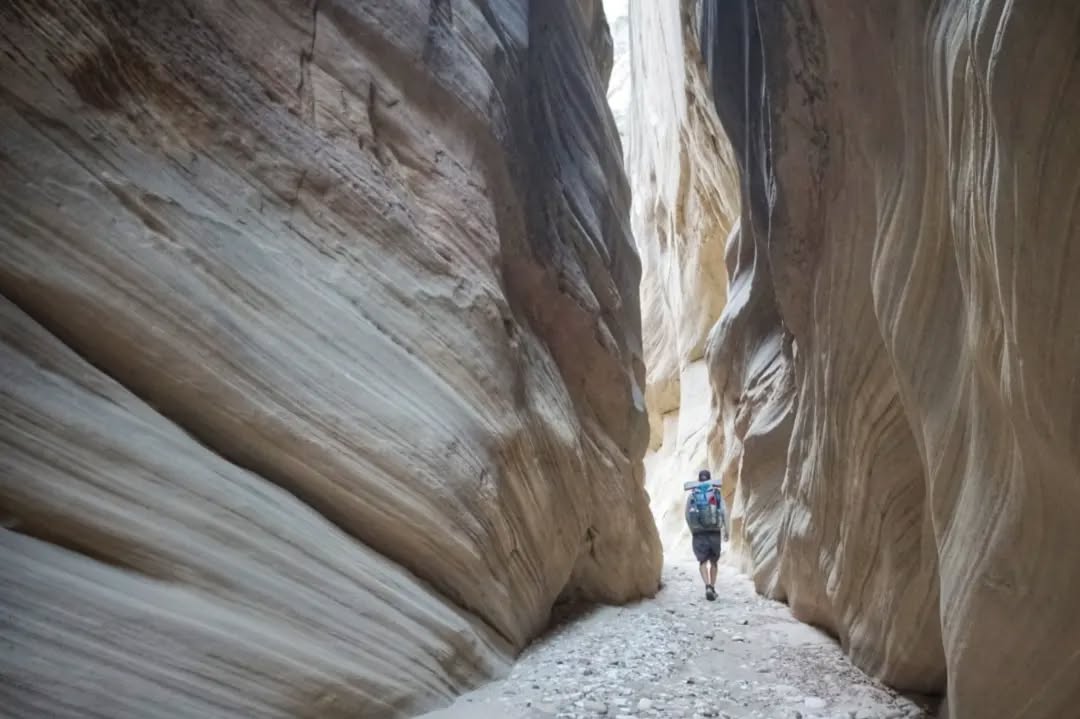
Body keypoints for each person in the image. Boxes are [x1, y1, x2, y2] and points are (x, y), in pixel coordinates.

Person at [685, 469, 727, 601]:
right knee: (714, 561)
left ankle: (707, 586)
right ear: (710, 479)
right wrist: (727, 530)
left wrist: (693, 530)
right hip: (714, 531)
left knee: (702, 560)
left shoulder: (693, 495)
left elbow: (687, 515)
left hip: (699, 532)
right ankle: (712, 587)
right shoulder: (716, 493)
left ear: (698, 480)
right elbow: (724, 511)